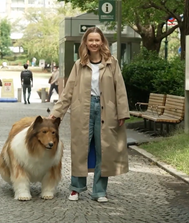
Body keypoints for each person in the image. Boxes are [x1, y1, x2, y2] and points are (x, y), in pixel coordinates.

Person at [48, 27, 130, 203]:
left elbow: (120, 89)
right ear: (85, 42)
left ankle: (100, 191)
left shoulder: (111, 63)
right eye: (90, 40)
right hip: (82, 110)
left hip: (106, 110)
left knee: (104, 150)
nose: (94, 43)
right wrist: (56, 114)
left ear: (102, 42)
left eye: (97, 40)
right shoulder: (79, 65)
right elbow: (68, 92)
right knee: (80, 149)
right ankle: (76, 188)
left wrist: (122, 112)